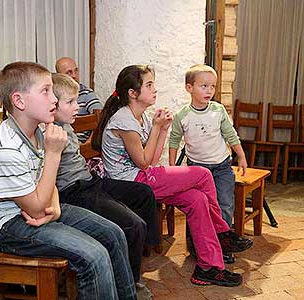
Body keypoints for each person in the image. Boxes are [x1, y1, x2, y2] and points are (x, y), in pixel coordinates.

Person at [0, 61, 136, 299]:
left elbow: (46, 183)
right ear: (19, 101)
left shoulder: (39, 132)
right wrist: (53, 154)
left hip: (39, 208)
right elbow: (34, 205)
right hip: (8, 225)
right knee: (93, 256)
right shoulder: (5, 147)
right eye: (45, 91)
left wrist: (56, 209)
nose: (54, 99)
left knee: (113, 234)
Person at [92, 64, 253, 287]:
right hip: (130, 184)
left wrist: (163, 128)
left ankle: (208, 268)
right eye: (149, 85)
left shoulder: (142, 117)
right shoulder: (124, 120)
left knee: (197, 200)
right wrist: (158, 128)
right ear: (133, 93)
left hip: (144, 176)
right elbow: (144, 162)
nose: (155, 89)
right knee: (203, 175)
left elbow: (152, 158)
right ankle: (223, 232)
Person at [52, 73, 159, 289]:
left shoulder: (66, 125)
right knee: (133, 225)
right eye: (71, 102)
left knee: (143, 193)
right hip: (75, 191)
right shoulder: (51, 132)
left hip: (90, 181)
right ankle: (129, 283)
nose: (77, 106)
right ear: (52, 105)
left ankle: (140, 252)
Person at [169, 64, 247, 227]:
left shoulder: (218, 110)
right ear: (189, 88)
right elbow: (174, 140)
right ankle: (196, 243)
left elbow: (230, 134)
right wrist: (172, 166)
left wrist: (241, 156)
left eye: (212, 86)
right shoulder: (182, 115)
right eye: (204, 86)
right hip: (196, 169)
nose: (209, 91)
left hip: (222, 167)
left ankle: (224, 240)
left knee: (224, 205)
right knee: (198, 206)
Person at [56, 57, 102, 142]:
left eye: (76, 71)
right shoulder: (54, 95)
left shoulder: (87, 94)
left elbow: (101, 117)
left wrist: (88, 145)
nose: (74, 75)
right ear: (59, 76)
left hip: (80, 144)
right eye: (69, 72)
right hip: (59, 142)